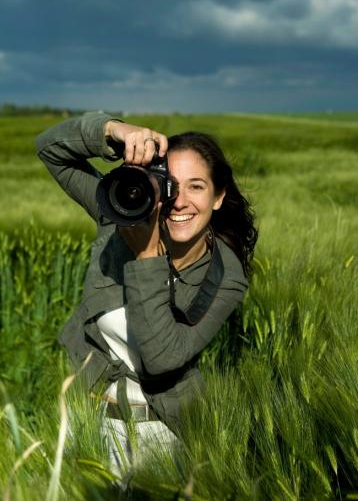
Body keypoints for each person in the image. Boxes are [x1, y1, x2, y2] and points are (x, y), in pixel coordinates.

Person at [36, 111, 257, 472]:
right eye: (169, 184)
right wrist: (113, 131)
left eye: (196, 186)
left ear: (218, 197)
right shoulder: (118, 216)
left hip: (164, 436)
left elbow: (161, 358)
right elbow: (49, 148)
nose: (180, 201)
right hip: (88, 420)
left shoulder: (225, 275)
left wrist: (146, 256)